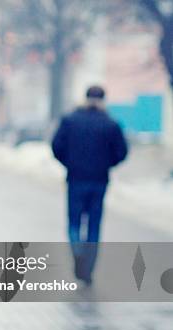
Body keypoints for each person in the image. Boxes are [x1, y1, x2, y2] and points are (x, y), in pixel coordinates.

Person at [51, 85, 128, 286]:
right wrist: (106, 164)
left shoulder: (70, 120)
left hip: (75, 180)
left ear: (85, 98)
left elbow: (56, 146)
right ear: (103, 100)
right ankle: (88, 269)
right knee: (94, 225)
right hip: (99, 181)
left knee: (74, 223)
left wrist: (70, 163)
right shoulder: (111, 124)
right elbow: (121, 152)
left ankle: (77, 255)